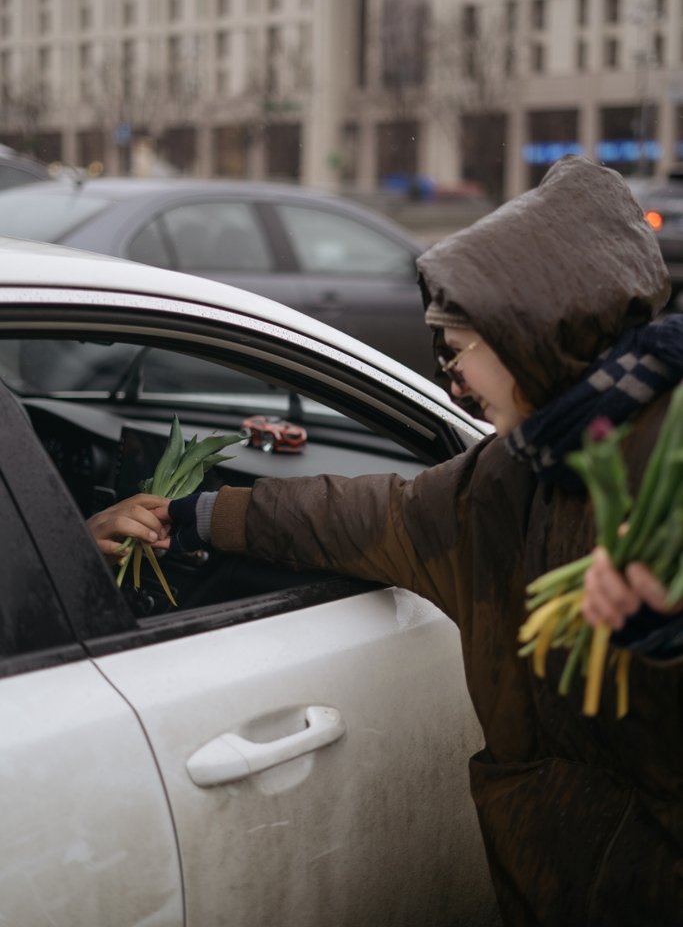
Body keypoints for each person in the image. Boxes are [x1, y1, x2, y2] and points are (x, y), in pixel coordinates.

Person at [165, 156, 681, 925]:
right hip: (555, 880)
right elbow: (374, 514)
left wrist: (664, 636)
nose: (452, 382)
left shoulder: (665, 453)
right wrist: (192, 518)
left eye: (461, 349)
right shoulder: (510, 475)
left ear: (533, 335)